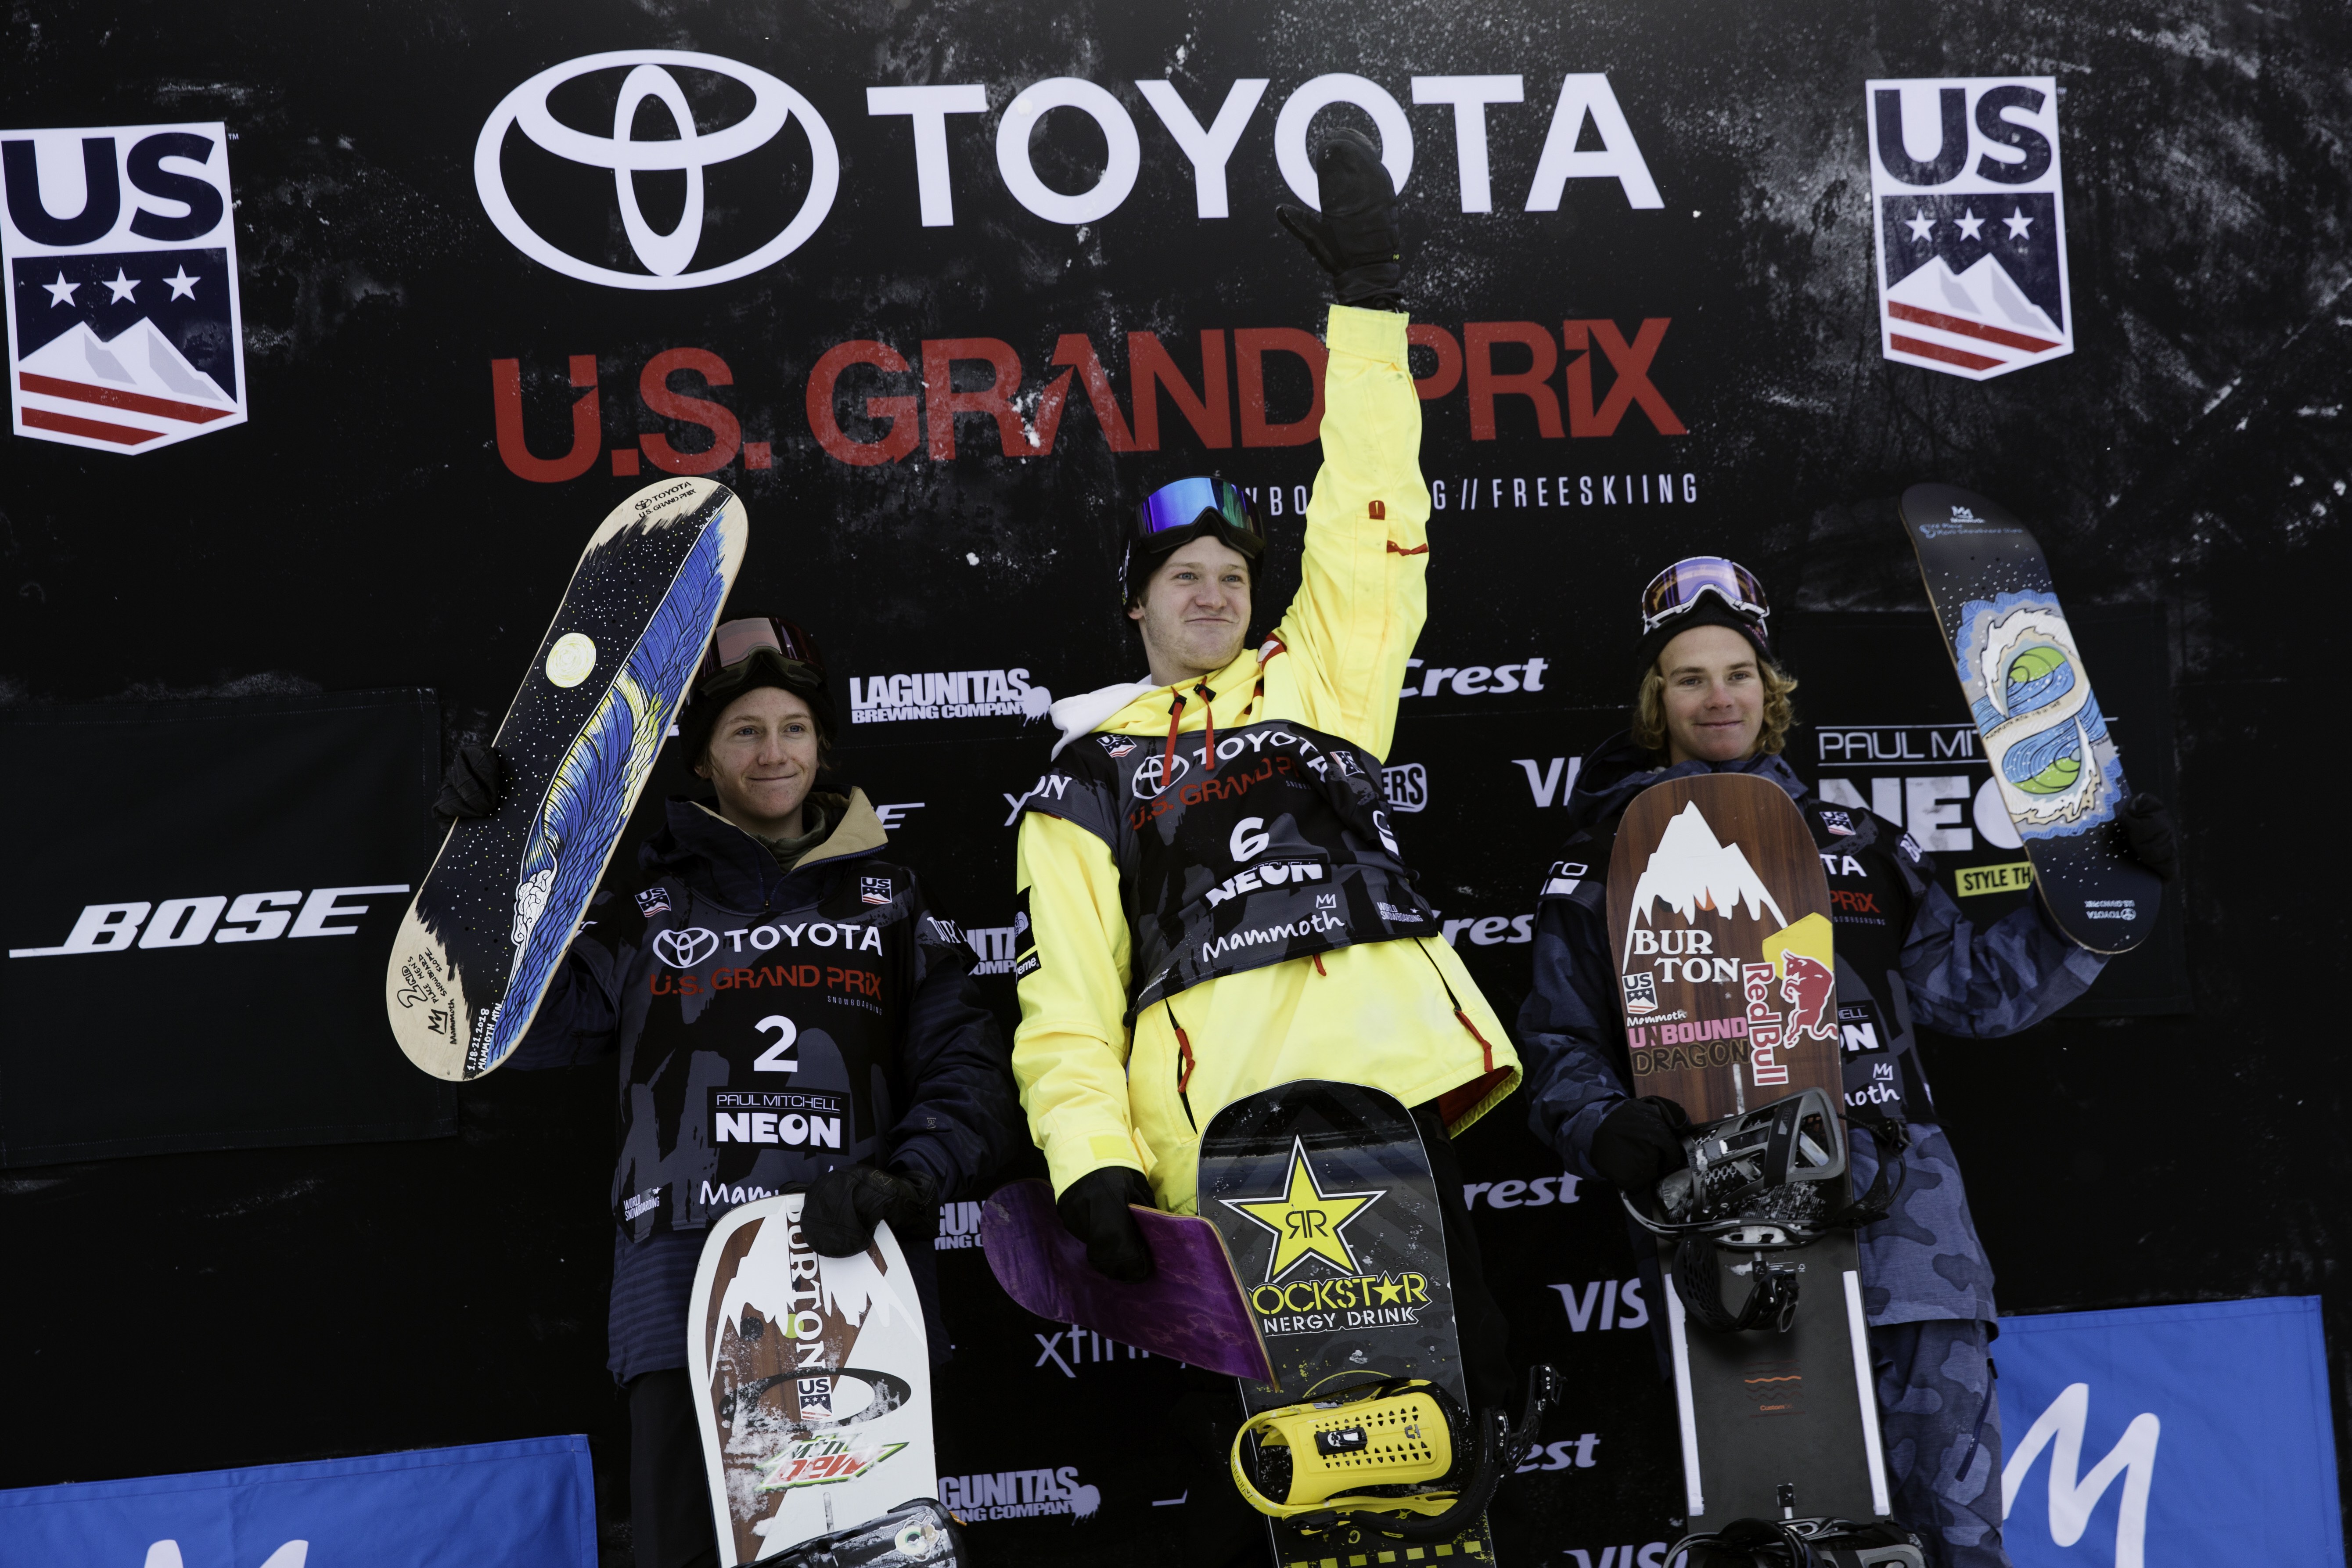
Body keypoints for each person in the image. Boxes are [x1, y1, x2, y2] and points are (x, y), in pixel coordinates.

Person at [1514, 557, 2178, 1568]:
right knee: (1779, 1543)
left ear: (1769, 689)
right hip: (1732, 1241)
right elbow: (1558, 1043)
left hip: (1913, 1244)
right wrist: (1599, 1122)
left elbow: (1971, 991)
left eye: (1737, 671)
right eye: (1689, 677)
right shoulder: (1601, 859)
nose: (1718, 695)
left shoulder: (1860, 841)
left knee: (1957, 1537)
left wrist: (2098, 898)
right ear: (1658, 701)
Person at [1005, 129, 1523, 1413]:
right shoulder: (1081, 778)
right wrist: (1089, 1164)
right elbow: (1066, 1004)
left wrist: (1367, 310)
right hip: (1226, 1146)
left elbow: (1367, 507)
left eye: (1235, 576)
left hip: (1387, 1102)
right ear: (1133, 608)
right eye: (1185, 576)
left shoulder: (1320, 685)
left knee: (1452, 1436)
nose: (1215, 592)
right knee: (1306, 1468)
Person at [437, 616, 1021, 1568]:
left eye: (792, 726)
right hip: (683, 1300)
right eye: (744, 730)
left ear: (823, 745)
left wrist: (911, 1180)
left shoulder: (893, 902)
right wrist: (488, 854)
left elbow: (969, 1070)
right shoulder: (643, 914)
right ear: (703, 758)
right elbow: (507, 1027)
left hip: (856, 1287)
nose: (773, 750)